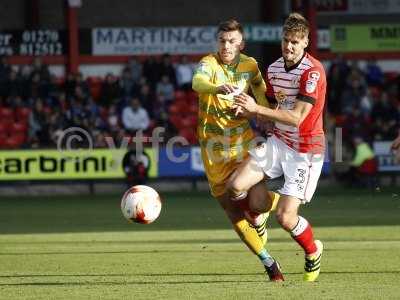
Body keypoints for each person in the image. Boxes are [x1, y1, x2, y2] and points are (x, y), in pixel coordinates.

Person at [229, 13, 326, 282]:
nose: (289, 46)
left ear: (306, 42)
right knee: (236, 186)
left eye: (296, 41)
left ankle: (312, 250)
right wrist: (247, 111)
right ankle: (260, 216)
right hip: (279, 142)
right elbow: (273, 110)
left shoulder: (312, 72)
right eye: (286, 40)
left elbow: (296, 117)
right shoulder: (272, 70)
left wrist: (255, 107)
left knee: (285, 218)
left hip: (305, 151)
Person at [192, 19, 283, 281]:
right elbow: (197, 83)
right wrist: (216, 87)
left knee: (258, 203)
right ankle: (268, 262)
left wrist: (262, 108)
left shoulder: (250, 64)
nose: (226, 46)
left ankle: (269, 209)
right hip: (213, 151)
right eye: (222, 40)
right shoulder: (208, 64)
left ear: (241, 43)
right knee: (233, 212)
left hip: (243, 144)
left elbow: (259, 85)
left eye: (232, 41)